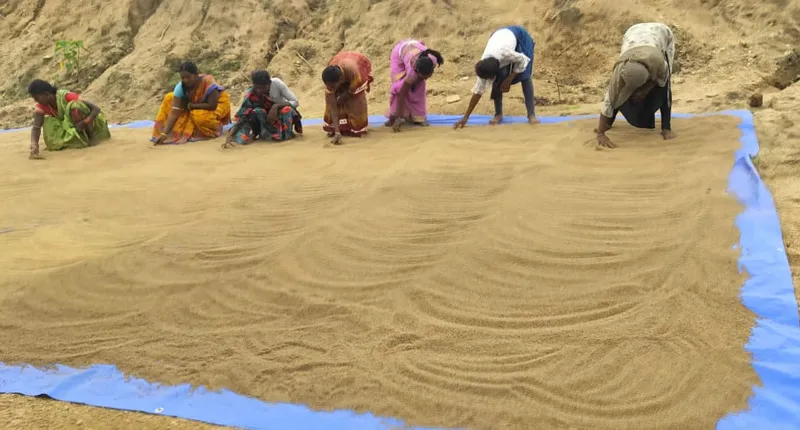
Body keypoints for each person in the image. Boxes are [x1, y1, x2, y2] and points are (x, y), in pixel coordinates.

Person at [595, 23, 676, 149]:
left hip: (661, 34)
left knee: (664, 86)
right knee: (618, 94)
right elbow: (609, 100)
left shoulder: (659, 64)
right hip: (632, 33)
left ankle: (666, 127)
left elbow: (662, 80)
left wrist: (645, 90)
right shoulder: (619, 72)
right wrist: (601, 132)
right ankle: (610, 122)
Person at [453, 25, 538, 129]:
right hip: (498, 36)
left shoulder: (505, 54)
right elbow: (477, 92)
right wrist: (465, 117)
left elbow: (523, 60)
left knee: (525, 76)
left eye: (489, 78)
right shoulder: (484, 65)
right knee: (498, 80)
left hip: (519, 36)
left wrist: (509, 78)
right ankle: (498, 114)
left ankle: (531, 115)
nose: (487, 81)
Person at [27, 79, 111, 159]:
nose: (36, 101)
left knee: (76, 107)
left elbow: (96, 109)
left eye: (37, 98)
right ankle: (76, 140)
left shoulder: (66, 96)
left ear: (46, 94)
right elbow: (36, 127)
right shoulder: (42, 106)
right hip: (71, 126)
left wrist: (86, 122)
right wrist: (34, 144)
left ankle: (91, 137)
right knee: (49, 122)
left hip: (89, 122)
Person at [152, 62, 232, 145]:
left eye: (188, 77)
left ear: (196, 74)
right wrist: (164, 134)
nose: (185, 80)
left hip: (218, 103)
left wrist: (191, 105)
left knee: (199, 116)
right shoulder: (180, 87)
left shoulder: (207, 82)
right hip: (194, 104)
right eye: (183, 78)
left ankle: (215, 128)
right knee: (169, 98)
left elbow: (212, 105)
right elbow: (174, 112)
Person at [222, 70, 303, 148]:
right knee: (255, 112)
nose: (259, 91)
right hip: (265, 119)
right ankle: (262, 135)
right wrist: (230, 136)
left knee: (287, 109)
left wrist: (276, 106)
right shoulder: (251, 94)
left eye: (263, 88)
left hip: (281, 115)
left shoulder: (277, 83)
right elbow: (243, 115)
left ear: (269, 84)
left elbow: (295, 102)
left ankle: (287, 136)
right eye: (257, 88)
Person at [385, 40, 444, 132]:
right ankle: (393, 116)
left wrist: (420, 78)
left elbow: (421, 78)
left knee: (419, 86)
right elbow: (401, 94)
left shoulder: (432, 60)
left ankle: (418, 117)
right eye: (423, 76)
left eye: (427, 76)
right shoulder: (412, 72)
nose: (425, 79)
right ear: (417, 71)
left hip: (414, 49)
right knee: (399, 86)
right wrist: (398, 118)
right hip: (398, 53)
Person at [322, 51, 374, 144]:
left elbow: (351, 91)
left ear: (341, 79)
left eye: (334, 87)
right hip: (339, 62)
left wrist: (345, 95)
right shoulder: (330, 79)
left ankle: (355, 127)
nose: (332, 89)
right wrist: (337, 132)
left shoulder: (354, 73)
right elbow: (333, 107)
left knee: (355, 100)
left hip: (357, 64)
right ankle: (339, 127)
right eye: (330, 87)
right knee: (333, 102)